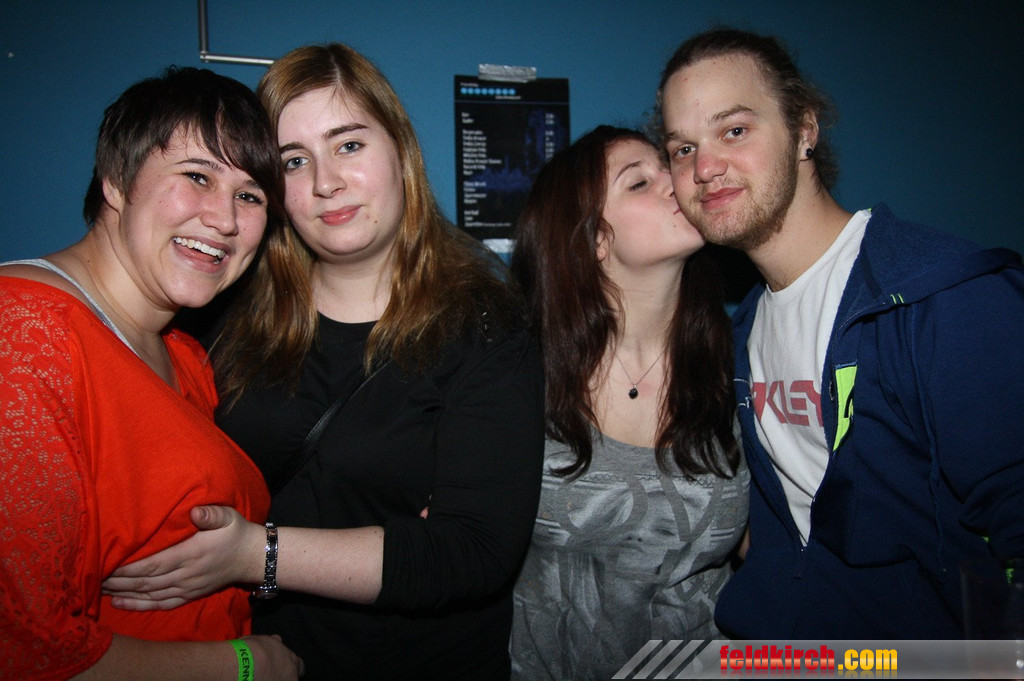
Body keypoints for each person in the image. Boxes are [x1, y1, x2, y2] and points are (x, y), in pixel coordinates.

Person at [101, 43, 545, 679]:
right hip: (255, 655)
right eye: (293, 160)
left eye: (349, 145)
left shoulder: (483, 323)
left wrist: (255, 553)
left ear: (400, 151)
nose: (325, 182)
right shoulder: (222, 308)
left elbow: (473, 552)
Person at [656, 27, 1024, 638]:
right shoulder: (742, 331)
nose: (705, 168)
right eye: (682, 148)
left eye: (735, 130)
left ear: (804, 128)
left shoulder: (943, 296)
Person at [0, 67, 303, 679]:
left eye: (250, 196)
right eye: (197, 177)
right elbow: (24, 651)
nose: (225, 219)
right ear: (115, 180)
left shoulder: (184, 353)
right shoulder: (24, 335)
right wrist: (246, 665)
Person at [508, 125, 749, 679]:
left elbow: (772, 547)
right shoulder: (518, 377)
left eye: (670, 167)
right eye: (639, 182)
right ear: (595, 238)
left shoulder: (739, 368)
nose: (680, 182)